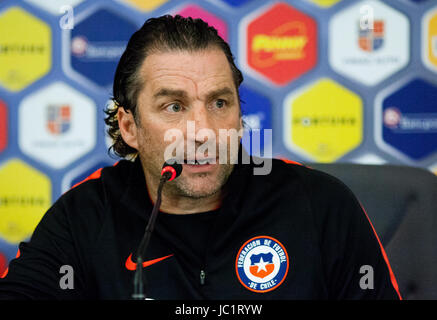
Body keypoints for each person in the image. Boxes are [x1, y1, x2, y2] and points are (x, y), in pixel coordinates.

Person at [0, 15, 401, 300]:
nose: (204, 130)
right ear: (129, 127)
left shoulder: (319, 204)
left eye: (219, 102)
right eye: (174, 107)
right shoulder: (84, 216)